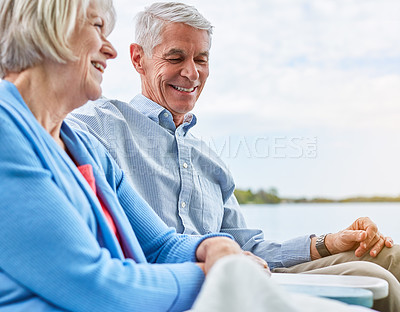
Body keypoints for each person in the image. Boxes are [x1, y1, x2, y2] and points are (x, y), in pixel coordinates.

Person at [66, 2, 400, 311]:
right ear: (138, 59)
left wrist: (327, 242)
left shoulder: (209, 159)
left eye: (201, 59)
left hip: (242, 270)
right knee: (377, 278)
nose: (191, 73)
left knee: (388, 255)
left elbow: (248, 246)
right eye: (175, 57)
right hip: (188, 287)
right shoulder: (96, 126)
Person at [0, 0, 269, 311]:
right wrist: (224, 273)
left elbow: (159, 246)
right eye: (97, 27)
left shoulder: (84, 148)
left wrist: (213, 246)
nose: (110, 50)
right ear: (44, 27)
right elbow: (98, 288)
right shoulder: (6, 130)